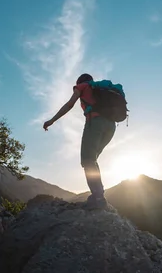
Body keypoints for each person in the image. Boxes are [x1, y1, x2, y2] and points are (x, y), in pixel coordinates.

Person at [43, 73, 117, 209]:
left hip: (95, 123)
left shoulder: (82, 86)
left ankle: (98, 197)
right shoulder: (101, 89)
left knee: (88, 160)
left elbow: (70, 104)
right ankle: (98, 194)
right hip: (111, 126)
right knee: (92, 159)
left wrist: (52, 120)